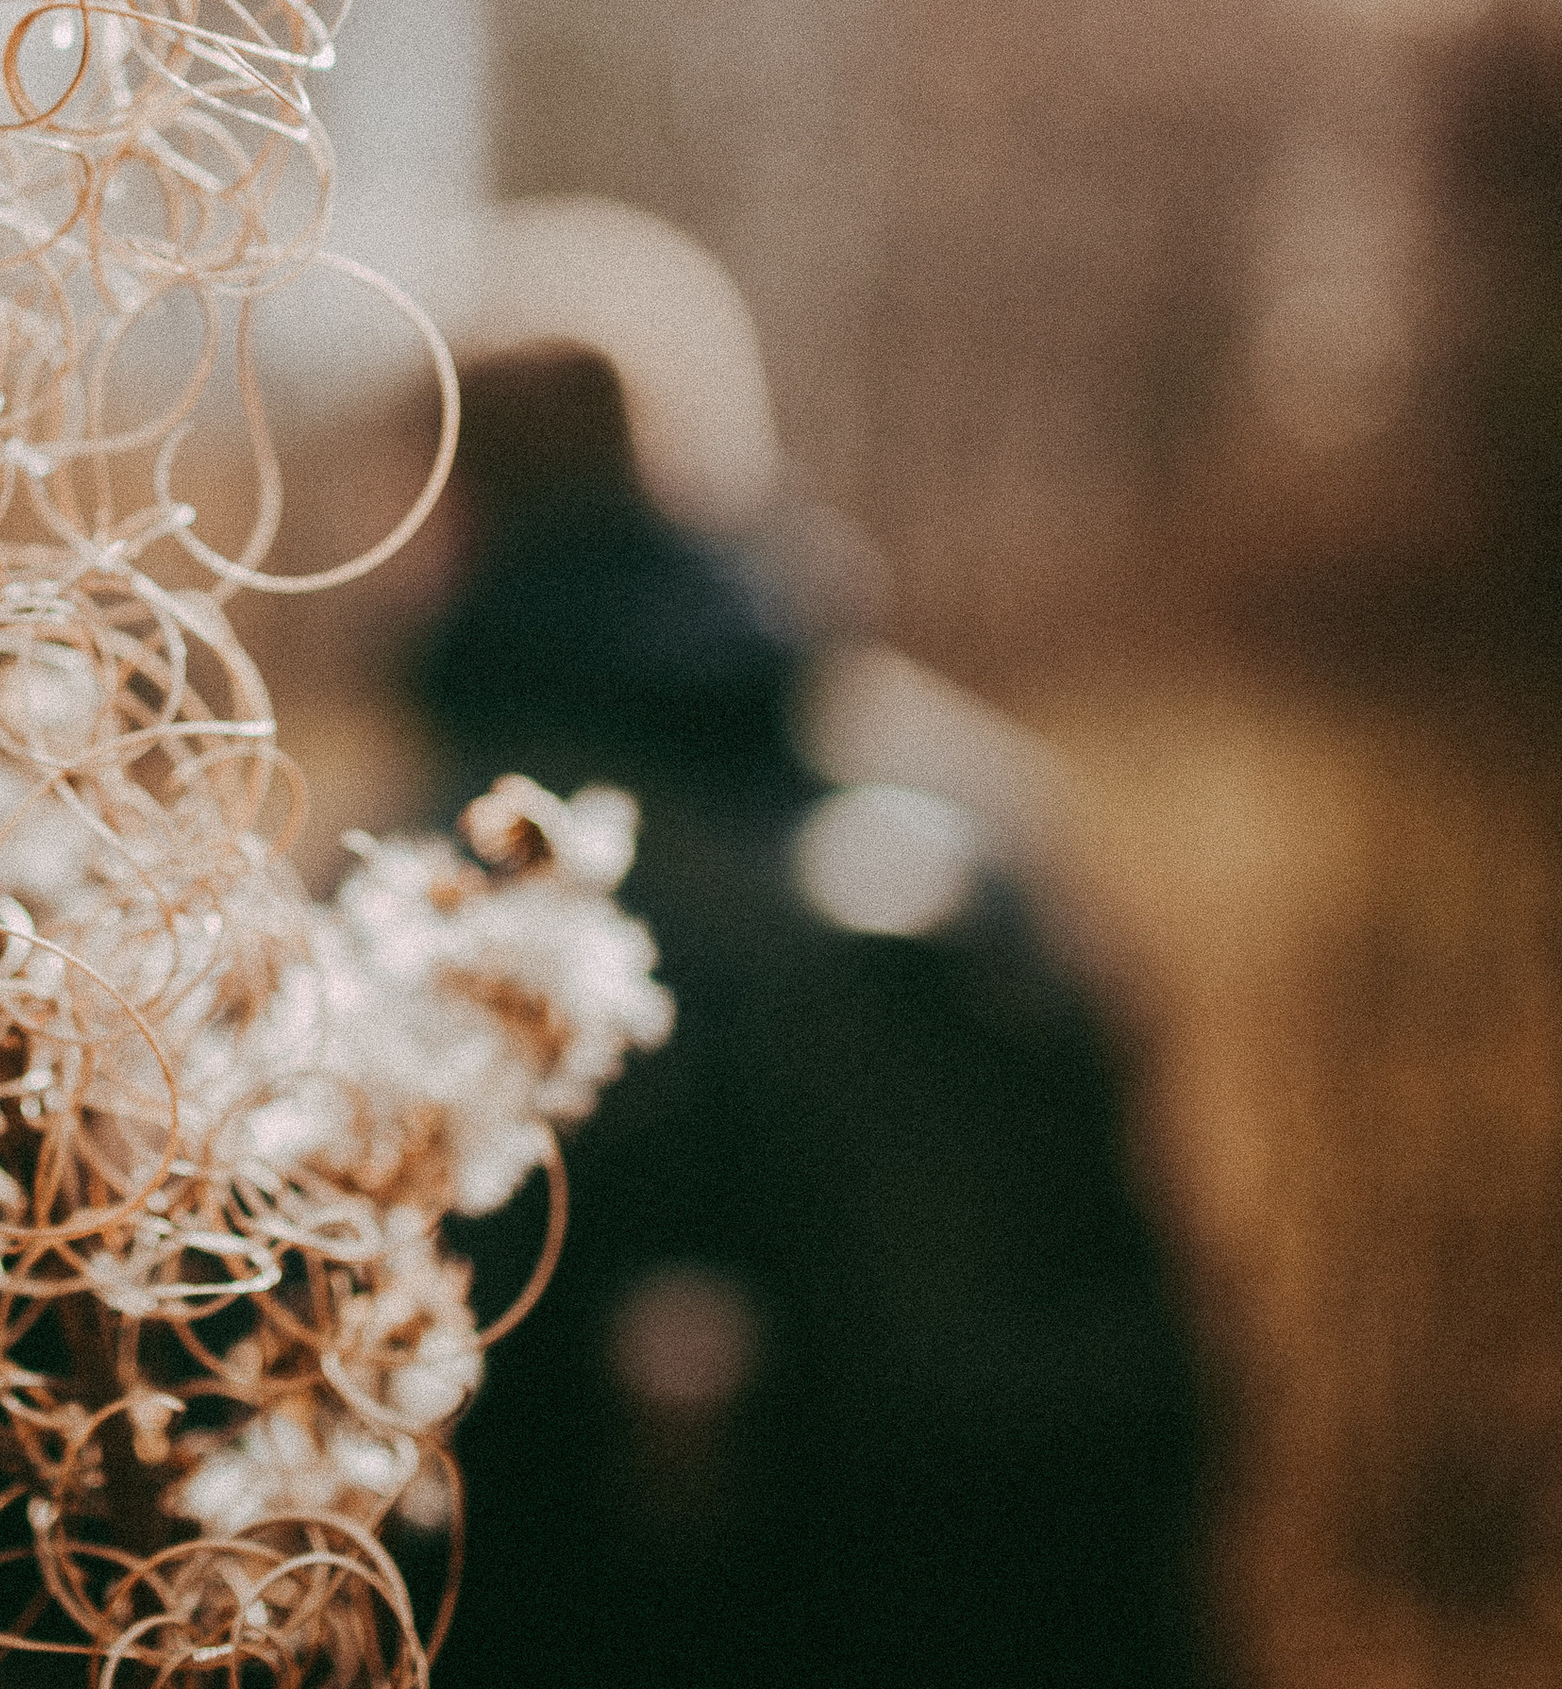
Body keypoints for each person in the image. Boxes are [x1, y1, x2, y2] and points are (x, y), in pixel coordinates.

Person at [384, 198, 1222, 1689]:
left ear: (448, 512)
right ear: (722, 476)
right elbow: (1148, 1367)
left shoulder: (406, 888)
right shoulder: (980, 814)